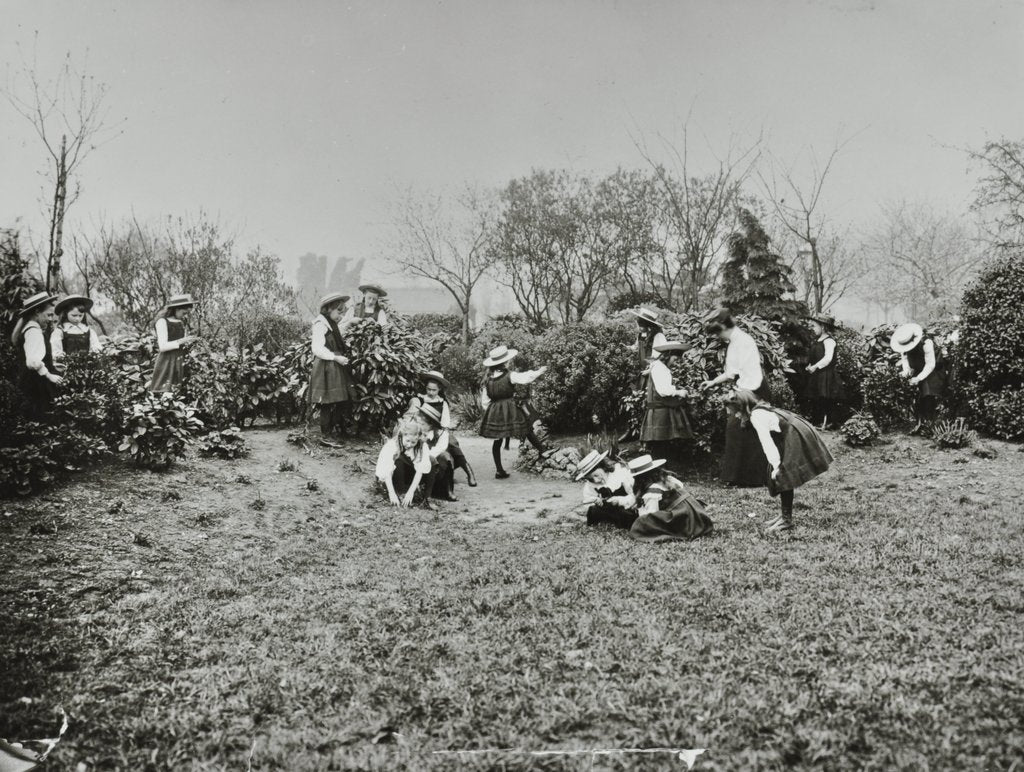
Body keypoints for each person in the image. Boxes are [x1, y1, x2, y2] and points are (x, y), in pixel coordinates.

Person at [724, 389, 833, 534]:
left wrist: (776, 467)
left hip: (796, 433)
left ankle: (786, 520)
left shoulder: (757, 416)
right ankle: (784, 515)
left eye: (735, 412)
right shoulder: (758, 408)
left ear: (743, 407)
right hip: (794, 430)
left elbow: (767, 443)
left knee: (784, 474)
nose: (735, 415)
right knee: (783, 472)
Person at [700, 309, 770, 487]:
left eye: (718, 332)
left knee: (742, 429)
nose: (718, 336)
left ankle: (751, 478)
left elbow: (751, 375)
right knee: (738, 431)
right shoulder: (734, 341)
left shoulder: (744, 341)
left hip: (754, 390)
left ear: (723, 326)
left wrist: (738, 395)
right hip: (745, 388)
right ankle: (738, 477)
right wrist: (713, 382)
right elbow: (731, 372)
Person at [477, 345, 555, 479]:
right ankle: (542, 451)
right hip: (510, 407)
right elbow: (525, 377)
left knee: (498, 440)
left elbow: (485, 401)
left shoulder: (487, 380)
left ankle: (499, 470)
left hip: (495, 410)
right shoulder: (510, 375)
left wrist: (494, 411)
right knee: (526, 429)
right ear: (505, 362)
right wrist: (539, 371)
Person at [410, 370, 477, 486]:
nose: (431, 392)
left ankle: (469, 472)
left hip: (439, 430)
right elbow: (414, 418)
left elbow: (445, 423)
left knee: (452, 443)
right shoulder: (420, 400)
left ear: (439, 389)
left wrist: (437, 432)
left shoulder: (442, 403)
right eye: (428, 389)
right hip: (422, 430)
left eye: (434, 390)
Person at [309, 292, 359, 446]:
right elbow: (316, 348)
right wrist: (335, 357)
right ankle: (326, 435)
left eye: (342, 312)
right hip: (326, 365)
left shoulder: (331, 324)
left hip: (334, 365)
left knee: (339, 399)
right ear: (328, 309)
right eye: (339, 311)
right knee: (327, 401)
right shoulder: (320, 324)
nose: (341, 316)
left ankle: (337, 429)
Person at [627, 454, 714, 542]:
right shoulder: (668, 479)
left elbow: (651, 516)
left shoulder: (652, 491)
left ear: (640, 479)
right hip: (696, 515)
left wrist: (640, 508)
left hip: (684, 519)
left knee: (641, 522)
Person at [640, 340, 694, 461]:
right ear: (668, 355)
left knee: (663, 442)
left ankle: (662, 469)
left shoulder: (659, 366)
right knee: (660, 442)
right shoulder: (660, 368)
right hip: (659, 410)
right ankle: (659, 470)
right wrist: (679, 392)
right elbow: (663, 390)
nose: (675, 363)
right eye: (674, 360)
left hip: (660, 408)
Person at [10, 291, 62, 418]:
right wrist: (49, 375)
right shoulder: (34, 332)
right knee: (41, 417)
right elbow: (33, 361)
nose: (50, 319)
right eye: (48, 315)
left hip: (32, 382)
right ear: (37, 312)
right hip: (37, 385)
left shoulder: (31, 328)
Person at [890, 322, 945, 434]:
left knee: (927, 393)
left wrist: (918, 378)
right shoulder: (904, 348)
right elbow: (907, 367)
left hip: (934, 371)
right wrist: (906, 377)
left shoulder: (926, 342)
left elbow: (930, 365)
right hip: (918, 370)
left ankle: (930, 425)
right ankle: (919, 423)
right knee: (915, 397)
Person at [375, 415, 438, 509]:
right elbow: (387, 471)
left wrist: (411, 492)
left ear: (418, 439)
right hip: (392, 475)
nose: (409, 444)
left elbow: (420, 470)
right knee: (399, 458)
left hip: (409, 471)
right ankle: (400, 492)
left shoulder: (422, 446)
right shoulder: (392, 445)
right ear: (402, 436)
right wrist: (391, 493)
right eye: (407, 441)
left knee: (431, 460)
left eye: (413, 442)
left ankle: (427, 497)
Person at [149, 294, 199, 394]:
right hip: (167, 360)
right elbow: (162, 346)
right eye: (183, 312)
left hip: (180, 359)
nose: (185, 315)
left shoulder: (181, 321)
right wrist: (183, 341)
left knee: (178, 392)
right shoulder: (162, 322)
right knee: (165, 391)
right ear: (176, 309)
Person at [803, 313, 845, 429]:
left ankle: (828, 422)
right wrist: (810, 365)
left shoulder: (829, 341)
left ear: (823, 327)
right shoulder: (817, 341)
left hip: (826, 375)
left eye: (815, 326)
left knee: (826, 398)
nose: (813, 329)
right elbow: (816, 356)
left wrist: (815, 366)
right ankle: (818, 421)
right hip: (817, 375)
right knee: (816, 398)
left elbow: (827, 358)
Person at [575, 450, 637, 529]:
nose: (596, 480)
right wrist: (595, 500)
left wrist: (619, 501)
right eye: (591, 479)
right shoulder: (590, 485)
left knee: (626, 514)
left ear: (602, 466)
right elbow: (587, 502)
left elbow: (635, 495)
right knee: (594, 511)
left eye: (596, 475)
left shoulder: (620, 473)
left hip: (625, 507)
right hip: (607, 511)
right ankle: (606, 521)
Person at [416, 402, 458, 502]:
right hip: (416, 461)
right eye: (419, 423)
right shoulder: (416, 431)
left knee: (446, 457)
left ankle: (448, 490)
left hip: (434, 462)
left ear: (431, 425)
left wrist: (426, 456)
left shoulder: (441, 434)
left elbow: (439, 449)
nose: (420, 426)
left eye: (422, 424)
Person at [50, 294, 102, 362]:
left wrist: (94, 355)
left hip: (87, 366)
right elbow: (56, 351)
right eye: (74, 315)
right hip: (66, 366)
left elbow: (96, 347)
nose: (77, 319)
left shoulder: (88, 330)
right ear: (66, 314)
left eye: (80, 316)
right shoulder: (60, 331)